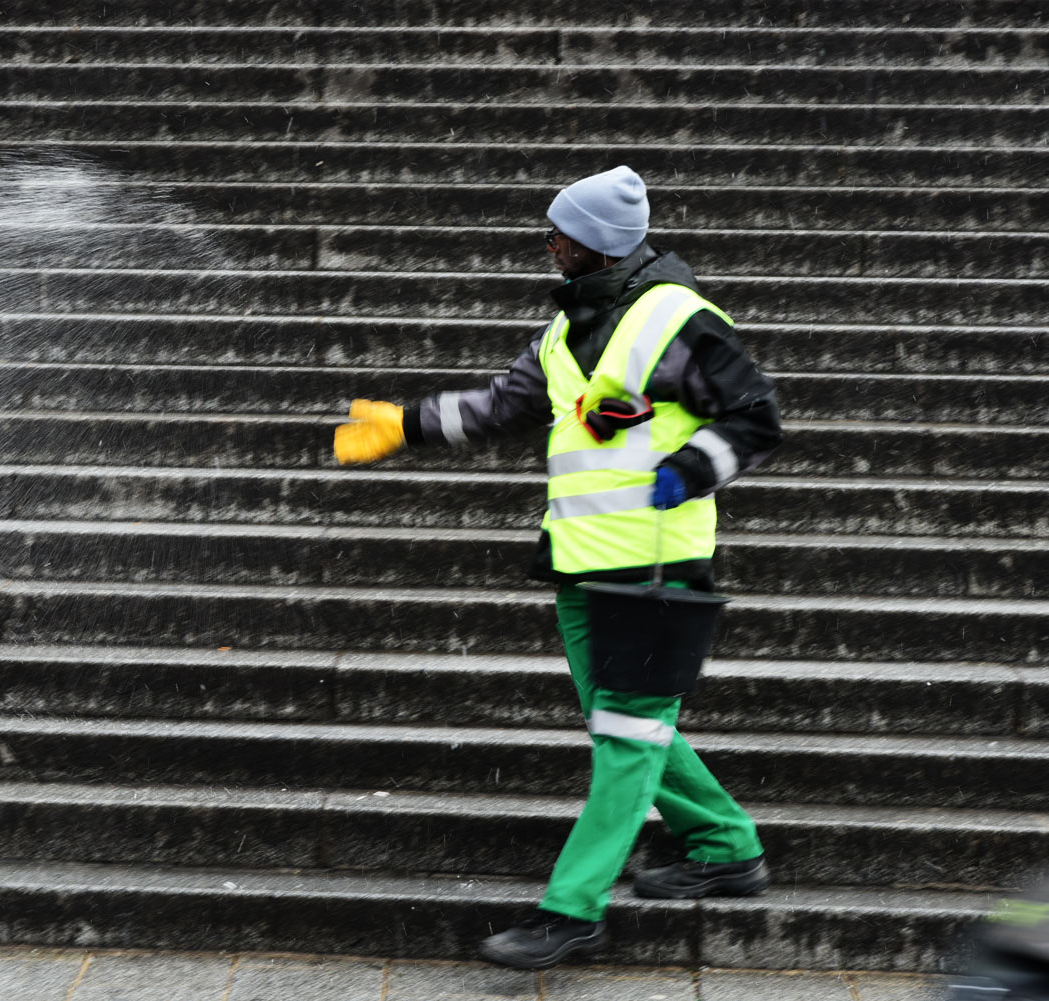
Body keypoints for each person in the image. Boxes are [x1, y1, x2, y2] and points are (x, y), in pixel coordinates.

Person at [333, 166, 785, 970]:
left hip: (657, 568)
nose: (549, 242)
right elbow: (505, 405)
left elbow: (755, 417)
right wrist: (405, 423)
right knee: (625, 726)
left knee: (625, 736)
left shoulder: (678, 319)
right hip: (580, 564)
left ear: (597, 243)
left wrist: (686, 470)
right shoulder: (566, 326)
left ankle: (570, 908)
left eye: (560, 232)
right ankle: (725, 843)